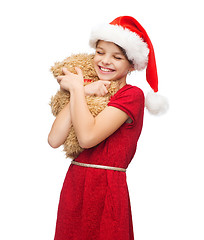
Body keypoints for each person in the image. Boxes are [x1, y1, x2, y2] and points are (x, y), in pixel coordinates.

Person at [48, 16, 166, 240]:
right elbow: (54, 139)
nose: (105, 61)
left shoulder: (132, 96)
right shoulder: (88, 90)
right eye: (100, 52)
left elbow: (87, 137)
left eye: (117, 56)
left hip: (106, 188)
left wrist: (76, 90)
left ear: (132, 64)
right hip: (75, 184)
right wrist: (83, 90)